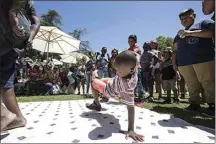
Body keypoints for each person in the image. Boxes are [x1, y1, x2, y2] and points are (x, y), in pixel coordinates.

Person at [86, 50, 144, 142]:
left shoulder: (127, 85)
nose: (117, 72)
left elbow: (130, 107)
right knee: (102, 79)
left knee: (93, 81)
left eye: (119, 71)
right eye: (116, 69)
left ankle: (97, 103)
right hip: (113, 81)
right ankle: (101, 98)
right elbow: (136, 56)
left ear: (131, 70)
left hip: (110, 90)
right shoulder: (133, 65)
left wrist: (131, 129)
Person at [0, 0, 40, 130]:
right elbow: (36, 22)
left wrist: (13, 17)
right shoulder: (30, 2)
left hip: (6, 29)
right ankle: (18, 119)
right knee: (5, 80)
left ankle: (3, 115)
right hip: (20, 38)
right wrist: (31, 37)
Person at [173, 8, 215, 117]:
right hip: (184, 63)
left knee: (208, 81)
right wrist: (174, 63)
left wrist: (190, 33)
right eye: (182, 19)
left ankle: (213, 105)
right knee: (191, 84)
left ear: (194, 15)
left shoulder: (204, 23)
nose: (184, 20)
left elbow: (211, 33)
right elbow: (175, 49)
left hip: (203, 60)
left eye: (186, 17)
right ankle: (194, 104)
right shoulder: (178, 34)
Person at [127, 35, 145, 107]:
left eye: (131, 41)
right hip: (131, 69)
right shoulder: (129, 49)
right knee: (132, 84)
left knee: (139, 83)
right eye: (129, 41)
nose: (130, 42)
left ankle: (141, 100)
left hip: (137, 68)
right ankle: (133, 99)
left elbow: (134, 53)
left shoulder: (137, 47)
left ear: (135, 41)